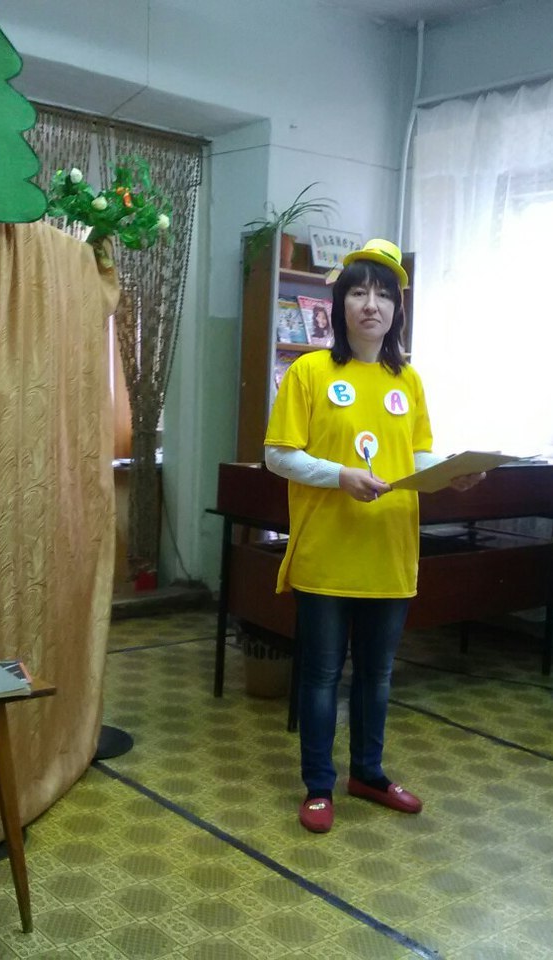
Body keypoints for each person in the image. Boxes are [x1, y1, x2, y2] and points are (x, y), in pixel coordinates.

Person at [264, 238, 484, 834]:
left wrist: (452, 474)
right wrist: (341, 476)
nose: (371, 305)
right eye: (358, 292)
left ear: (396, 311)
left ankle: (368, 773)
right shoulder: (310, 372)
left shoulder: (407, 380)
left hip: (390, 550)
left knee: (377, 675)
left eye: (383, 295)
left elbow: (417, 456)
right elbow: (278, 455)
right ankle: (318, 785)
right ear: (340, 305)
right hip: (327, 551)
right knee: (320, 675)